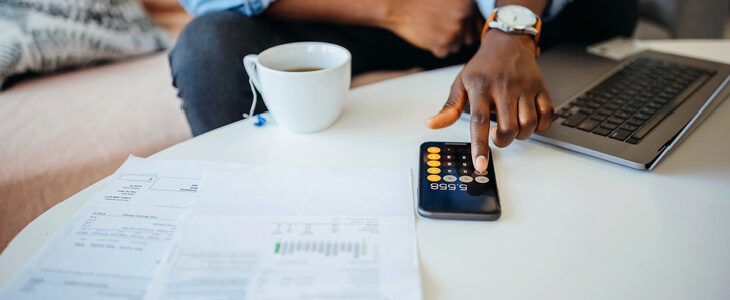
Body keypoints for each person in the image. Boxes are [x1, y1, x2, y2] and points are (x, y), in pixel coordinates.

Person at [169, 0, 638, 171]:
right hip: (344, 15)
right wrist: (395, 8)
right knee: (208, 49)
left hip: (487, 14)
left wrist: (510, 29)